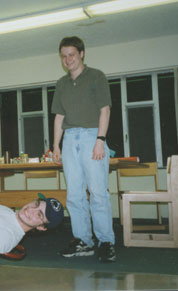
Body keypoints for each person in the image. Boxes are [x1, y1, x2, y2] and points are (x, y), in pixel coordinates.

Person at [51, 36, 115, 262]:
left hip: (91, 137)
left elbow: (104, 110)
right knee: (75, 195)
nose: (67, 59)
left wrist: (100, 139)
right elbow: (59, 116)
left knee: (98, 193)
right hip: (69, 139)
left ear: (82, 54)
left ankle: (106, 241)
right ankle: (83, 240)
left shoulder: (96, 76)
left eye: (72, 54)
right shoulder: (61, 83)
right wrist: (55, 145)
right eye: (64, 56)